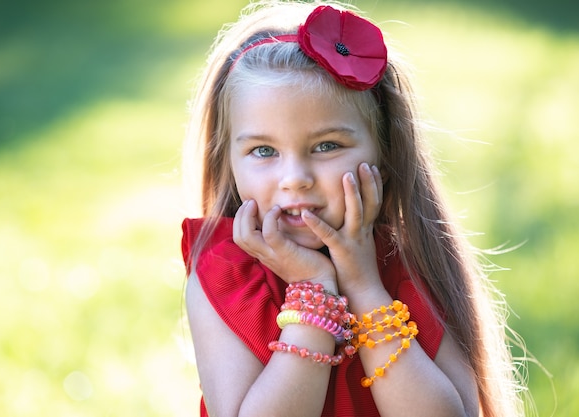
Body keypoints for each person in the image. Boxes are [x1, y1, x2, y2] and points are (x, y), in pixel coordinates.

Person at [181, 1, 527, 416]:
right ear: (228, 161)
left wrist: (364, 286)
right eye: (263, 150)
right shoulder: (224, 274)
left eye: (327, 146)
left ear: (384, 152)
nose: (295, 177)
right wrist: (314, 291)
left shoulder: (411, 259)